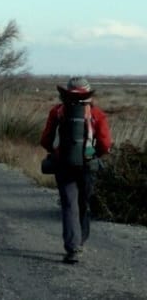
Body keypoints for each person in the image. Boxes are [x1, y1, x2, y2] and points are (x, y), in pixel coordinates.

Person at [40, 77, 112, 264]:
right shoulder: (96, 113)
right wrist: (94, 154)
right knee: (84, 203)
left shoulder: (57, 112)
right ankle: (81, 240)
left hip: (63, 165)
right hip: (88, 166)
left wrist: (54, 153)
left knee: (69, 204)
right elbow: (105, 143)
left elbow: (46, 139)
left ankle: (73, 248)